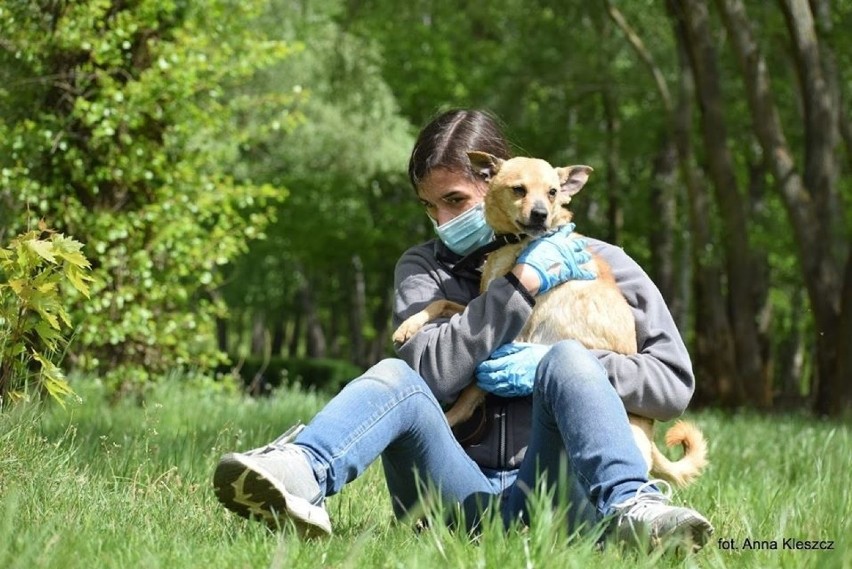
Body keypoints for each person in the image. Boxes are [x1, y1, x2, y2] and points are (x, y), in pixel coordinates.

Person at [213, 109, 713, 551]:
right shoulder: (422, 268)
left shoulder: (600, 260)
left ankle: (635, 510)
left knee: (568, 359)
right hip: (452, 495)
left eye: (455, 200)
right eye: (430, 207)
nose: (443, 219)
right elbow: (427, 371)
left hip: (556, 489)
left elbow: (672, 385)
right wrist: (520, 284)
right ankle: (299, 472)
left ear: (491, 177)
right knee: (393, 376)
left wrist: (566, 366)